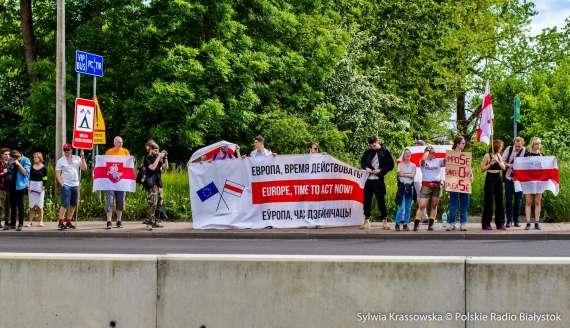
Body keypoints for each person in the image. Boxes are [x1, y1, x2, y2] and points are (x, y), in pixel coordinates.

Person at [360, 135, 394, 230]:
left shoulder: (385, 151)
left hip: (378, 179)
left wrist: (380, 170)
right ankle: (366, 220)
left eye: (374, 145)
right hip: (369, 179)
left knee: (381, 200)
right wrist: (366, 168)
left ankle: (384, 220)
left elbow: (391, 165)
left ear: (377, 142)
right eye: (371, 146)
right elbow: (362, 162)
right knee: (367, 200)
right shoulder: (368, 151)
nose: (373, 147)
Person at [55, 143, 87, 230]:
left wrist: (82, 157)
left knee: (73, 204)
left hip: (75, 184)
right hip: (66, 184)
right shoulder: (61, 161)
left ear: (71, 150)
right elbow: (57, 174)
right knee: (65, 204)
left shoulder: (77, 158)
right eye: (64, 150)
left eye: (67, 149)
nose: (66, 151)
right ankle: (60, 222)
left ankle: (68, 221)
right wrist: (62, 184)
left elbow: (84, 168)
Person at [413, 145, 445, 231]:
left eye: (434, 152)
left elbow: (448, 160)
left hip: (436, 185)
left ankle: (431, 224)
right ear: (427, 153)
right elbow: (423, 160)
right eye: (432, 152)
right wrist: (427, 150)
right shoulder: (423, 161)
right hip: (426, 185)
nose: (434, 154)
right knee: (422, 205)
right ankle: (416, 224)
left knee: (434, 205)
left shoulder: (438, 161)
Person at [299, 141, 327, 229]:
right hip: (307, 184)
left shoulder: (320, 158)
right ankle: (305, 222)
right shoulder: (305, 158)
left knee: (317, 204)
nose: (316, 150)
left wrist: (324, 156)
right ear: (310, 149)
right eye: (314, 148)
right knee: (306, 204)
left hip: (316, 185)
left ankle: (317, 222)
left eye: (317, 148)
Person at [447, 136, 472, 231]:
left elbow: (467, 167)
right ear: (457, 144)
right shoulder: (451, 155)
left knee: (464, 203)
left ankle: (463, 223)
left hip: (464, 182)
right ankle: (452, 223)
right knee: (453, 203)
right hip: (453, 182)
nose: (464, 144)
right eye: (463, 143)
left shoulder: (465, 156)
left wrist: (471, 175)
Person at [104, 136, 130, 229]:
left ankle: (119, 220)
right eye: (119, 142)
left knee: (120, 200)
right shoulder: (109, 152)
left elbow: (128, 166)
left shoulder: (125, 152)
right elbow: (104, 164)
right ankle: (109, 221)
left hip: (121, 181)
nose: (121, 144)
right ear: (114, 143)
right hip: (110, 181)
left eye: (122, 142)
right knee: (110, 201)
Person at [481, 140, 506, 230]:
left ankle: (500, 222)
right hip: (490, 177)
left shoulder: (499, 155)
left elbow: (503, 167)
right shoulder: (487, 156)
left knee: (499, 200)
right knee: (489, 201)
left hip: (498, 177)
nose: (501, 148)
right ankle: (486, 223)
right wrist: (490, 164)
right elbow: (482, 169)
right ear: (496, 147)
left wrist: (498, 161)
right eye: (500, 147)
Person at [502, 137, 526, 228]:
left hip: (519, 179)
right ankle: (509, 220)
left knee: (518, 200)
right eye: (515, 146)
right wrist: (509, 165)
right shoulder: (509, 149)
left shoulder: (525, 151)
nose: (517, 148)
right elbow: (502, 162)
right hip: (508, 177)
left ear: (522, 145)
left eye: (519, 146)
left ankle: (516, 219)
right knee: (508, 199)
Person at [143, 142, 168, 230]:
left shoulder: (158, 158)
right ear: (151, 150)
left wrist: (165, 157)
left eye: (158, 151)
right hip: (151, 183)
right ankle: (150, 222)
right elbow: (152, 167)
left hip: (158, 183)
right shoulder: (147, 159)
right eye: (155, 150)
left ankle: (156, 220)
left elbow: (166, 167)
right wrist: (159, 157)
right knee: (152, 203)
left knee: (159, 203)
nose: (157, 152)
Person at [6, 150, 31, 231]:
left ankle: (20, 223)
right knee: (12, 205)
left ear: (17, 157)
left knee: (20, 205)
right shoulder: (11, 160)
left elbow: (25, 173)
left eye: (14, 159)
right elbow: (10, 170)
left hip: (20, 185)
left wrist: (19, 164)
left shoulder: (25, 160)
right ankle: (12, 224)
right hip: (12, 184)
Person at [523, 137, 544, 230]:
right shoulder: (527, 155)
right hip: (528, 180)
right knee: (528, 201)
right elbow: (522, 166)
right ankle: (528, 222)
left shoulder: (542, 155)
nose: (538, 145)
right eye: (536, 144)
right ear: (532, 145)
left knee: (537, 201)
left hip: (539, 181)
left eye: (539, 143)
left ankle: (536, 222)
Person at [394, 148, 415, 231]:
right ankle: (397, 223)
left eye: (409, 153)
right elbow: (400, 174)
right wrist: (402, 164)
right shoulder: (400, 165)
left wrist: (404, 175)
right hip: (402, 188)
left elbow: (412, 176)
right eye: (406, 153)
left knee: (408, 207)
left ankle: (406, 223)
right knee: (401, 207)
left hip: (410, 187)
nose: (407, 155)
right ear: (403, 155)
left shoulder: (413, 165)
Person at [26, 152, 47, 227]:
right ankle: (30, 221)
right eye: (33, 157)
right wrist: (28, 186)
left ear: (39, 158)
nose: (34, 159)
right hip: (32, 186)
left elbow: (45, 178)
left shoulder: (44, 168)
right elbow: (28, 177)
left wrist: (43, 188)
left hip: (40, 186)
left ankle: (41, 221)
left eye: (35, 157)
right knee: (31, 206)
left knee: (40, 205)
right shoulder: (31, 167)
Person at [0, 148, 13, 229]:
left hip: (10, 187)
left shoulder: (11, 163)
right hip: (1, 187)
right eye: (5, 154)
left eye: (8, 154)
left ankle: (7, 221)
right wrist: (2, 173)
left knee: (8, 206)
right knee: (0, 205)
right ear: (2, 155)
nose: (7, 156)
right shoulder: (0, 164)